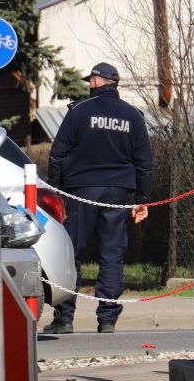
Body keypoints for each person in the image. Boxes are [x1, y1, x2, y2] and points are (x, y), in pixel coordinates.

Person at [44, 61, 154, 335]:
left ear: (95, 81)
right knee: (112, 255)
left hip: (82, 191)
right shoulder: (133, 116)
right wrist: (143, 198)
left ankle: (64, 317)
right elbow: (145, 163)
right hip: (117, 194)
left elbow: (57, 154)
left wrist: (56, 190)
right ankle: (107, 319)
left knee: (71, 253)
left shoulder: (79, 112)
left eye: (90, 80)